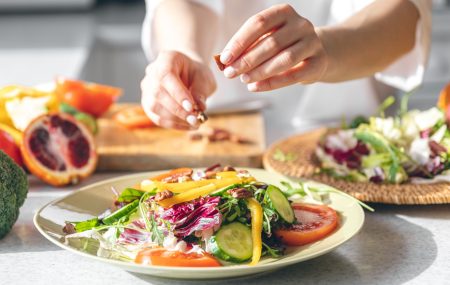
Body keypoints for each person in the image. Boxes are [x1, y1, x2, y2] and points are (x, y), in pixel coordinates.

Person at [140, 0, 431, 131]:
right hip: (226, 132)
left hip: (352, 133)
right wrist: (185, 51)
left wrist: (325, 48)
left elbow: (406, 12)